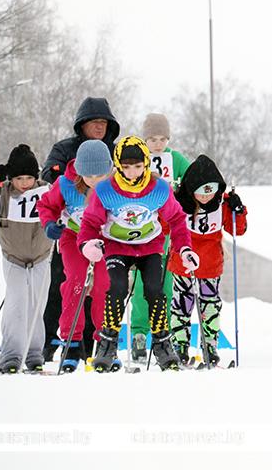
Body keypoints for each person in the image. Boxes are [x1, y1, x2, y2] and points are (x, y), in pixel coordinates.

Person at [77, 136, 198, 371]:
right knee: (117, 287)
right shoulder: (106, 190)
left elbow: (177, 219)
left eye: (137, 166)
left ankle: (163, 344)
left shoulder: (158, 188)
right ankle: (108, 343)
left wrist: (184, 248)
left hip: (149, 245)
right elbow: (90, 223)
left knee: (155, 288)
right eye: (126, 167)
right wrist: (87, 245)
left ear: (146, 163)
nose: (132, 172)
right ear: (118, 165)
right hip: (116, 246)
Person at [40, 97, 120, 362]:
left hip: (102, 236)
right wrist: (68, 184)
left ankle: (99, 342)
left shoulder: (115, 153)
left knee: (102, 288)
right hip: (71, 231)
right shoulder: (66, 150)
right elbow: (49, 178)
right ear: (81, 125)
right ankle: (61, 341)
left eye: (104, 123)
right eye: (94, 122)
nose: (99, 127)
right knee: (68, 283)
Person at [0, 145, 53, 373]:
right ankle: (11, 355)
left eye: (29, 177)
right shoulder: (5, 192)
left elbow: (62, 205)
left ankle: (34, 353)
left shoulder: (45, 191)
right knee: (16, 303)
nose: (25, 183)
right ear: (12, 178)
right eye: (19, 178)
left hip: (41, 255)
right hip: (14, 257)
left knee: (37, 305)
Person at [167, 155, 247, 366]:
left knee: (210, 308)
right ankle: (180, 346)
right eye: (200, 193)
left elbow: (238, 230)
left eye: (210, 191)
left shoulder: (222, 203)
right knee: (181, 307)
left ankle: (209, 346)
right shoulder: (180, 202)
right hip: (183, 265)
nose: (205, 198)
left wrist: (238, 211)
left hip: (211, 266)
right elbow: (165, 227)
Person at [130, 112, 191, 361]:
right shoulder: (137, 160)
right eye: (152, 139)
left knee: (165, 283)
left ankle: (161, 332)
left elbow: (192, 179)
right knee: (141, 285)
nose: (157, 144)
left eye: (162, 138)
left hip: (166, 230)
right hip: (140, 229)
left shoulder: (174, 158)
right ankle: (139, 333)